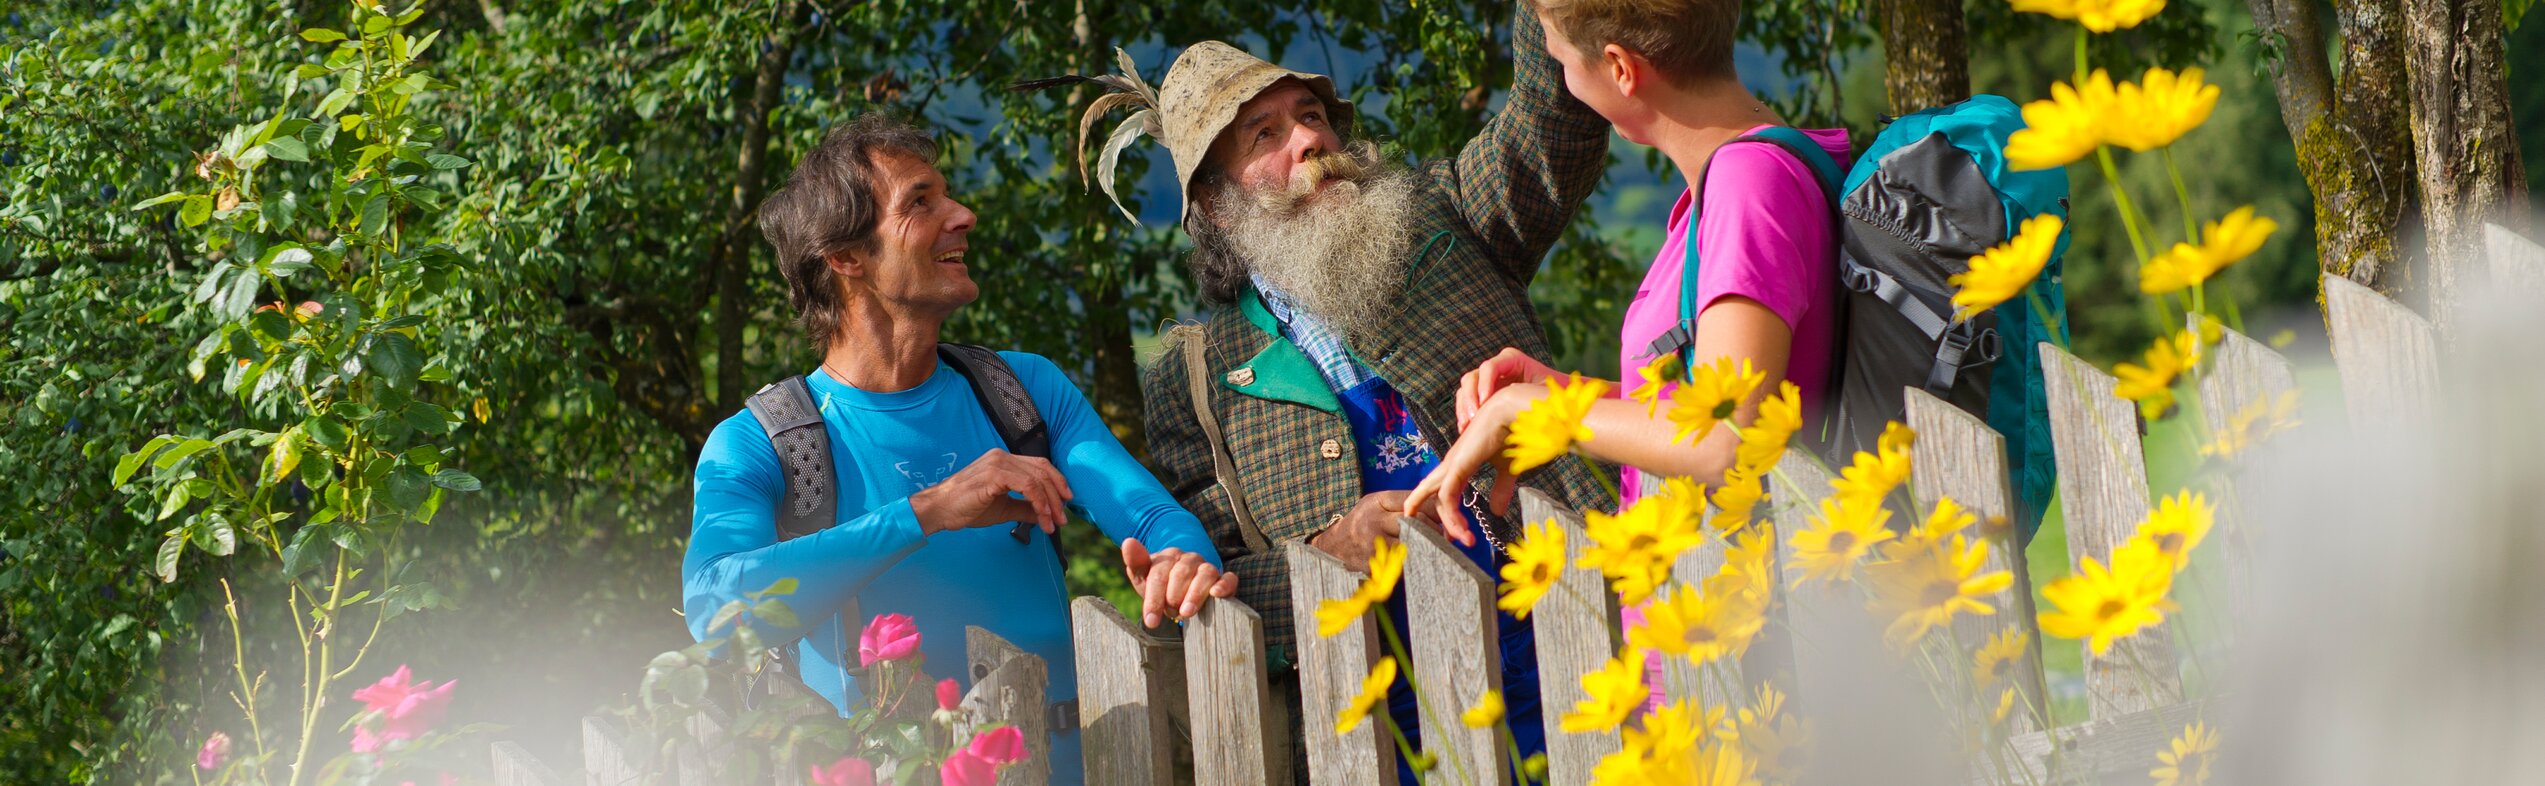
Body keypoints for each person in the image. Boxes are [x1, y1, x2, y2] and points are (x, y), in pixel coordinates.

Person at [1066, 4, 1611, 780]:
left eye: (1312, 116)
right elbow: (1217, 581)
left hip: (1590, 653)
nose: (1310, 140)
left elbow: (1551, 116)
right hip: (1394, 739)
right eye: (1265, 135)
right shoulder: (1194, 379)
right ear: (1217, 204)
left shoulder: (1450, 220)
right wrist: (1330, 552)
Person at [681, 113, 1234, 784]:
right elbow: (715, 611)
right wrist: (929, 509)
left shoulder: (1021, 390)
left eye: (947, 195)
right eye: (920, 202)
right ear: (846, 256)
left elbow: (1153, 520)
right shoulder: (761, 443)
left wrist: (1183, 564)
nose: (963, 215)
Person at [1404, 0, 1853, 702]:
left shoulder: (1747, 187)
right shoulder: (1734, 182)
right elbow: (1725, 399)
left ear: (1619, 68)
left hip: (1751, 664)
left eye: (1560, 62)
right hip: (1718, 643)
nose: (1565, 81)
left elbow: (1722, 438)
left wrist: (1538, 408)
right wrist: (1571, 396)